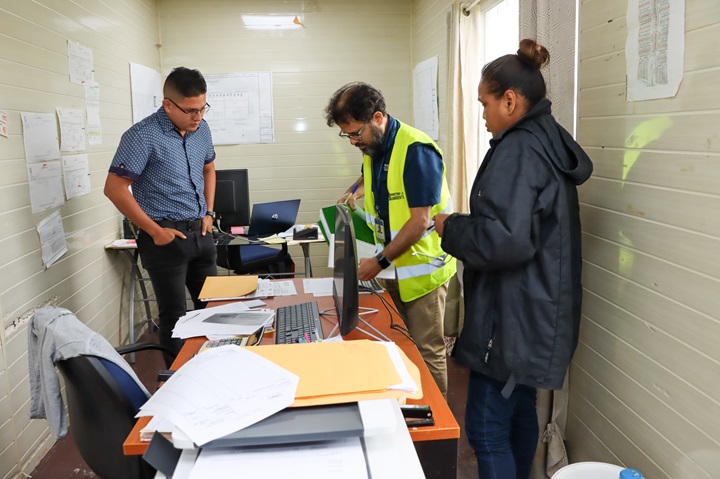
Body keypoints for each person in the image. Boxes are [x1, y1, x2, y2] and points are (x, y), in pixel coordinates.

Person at [434, 39, 593, 479]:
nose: (483, 114)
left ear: (510, 99)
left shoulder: (519, 150)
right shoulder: (544, 140)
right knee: (521, 409)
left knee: (485, 429)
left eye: (486, 103)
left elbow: (502, 241)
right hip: (535, 310)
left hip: (514, 315)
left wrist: (451, 227)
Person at [324, 82, 457, 397]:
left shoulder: (416, 150)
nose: (353, 141)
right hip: (395, 269)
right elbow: (369, 173)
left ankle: (435, 429)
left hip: (423, 273)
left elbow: (420, 220)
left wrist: (380, 261)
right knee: (400, 345)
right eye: (348, 136)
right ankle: (409, 409)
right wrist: (353, 190)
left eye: (356, 133)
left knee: (428, 352)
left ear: (378, 117)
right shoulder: (375, 146)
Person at [104, 66, 218, 365]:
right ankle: (177, 383)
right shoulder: (141, 136)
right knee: (174, 318)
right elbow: (115, 188)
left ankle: (214, 371)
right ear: (168, 103)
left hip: (202, 234)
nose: (198, 117)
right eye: (191, 110)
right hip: (165, 239)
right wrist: (155, 231)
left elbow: (209, 168)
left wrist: (209, 212)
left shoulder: (201, 130)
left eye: (202, 108)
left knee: (213, 310)